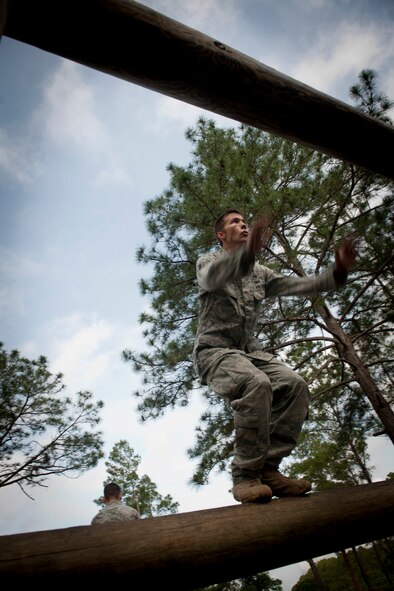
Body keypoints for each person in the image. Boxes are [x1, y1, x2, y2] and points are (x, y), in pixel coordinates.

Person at [193, 208, 357, 504]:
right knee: (256, 384)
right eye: (235, 222)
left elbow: (297, 286)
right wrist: (246, 253)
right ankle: (245, 476)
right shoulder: (209, 262)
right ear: (221, 235)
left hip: (247, 352)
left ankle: (268, 469)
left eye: (245, 222)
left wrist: (337, 274)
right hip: (214, 352)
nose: (243, 225)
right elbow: (211, 278)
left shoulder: (261, 273)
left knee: (294, 384)